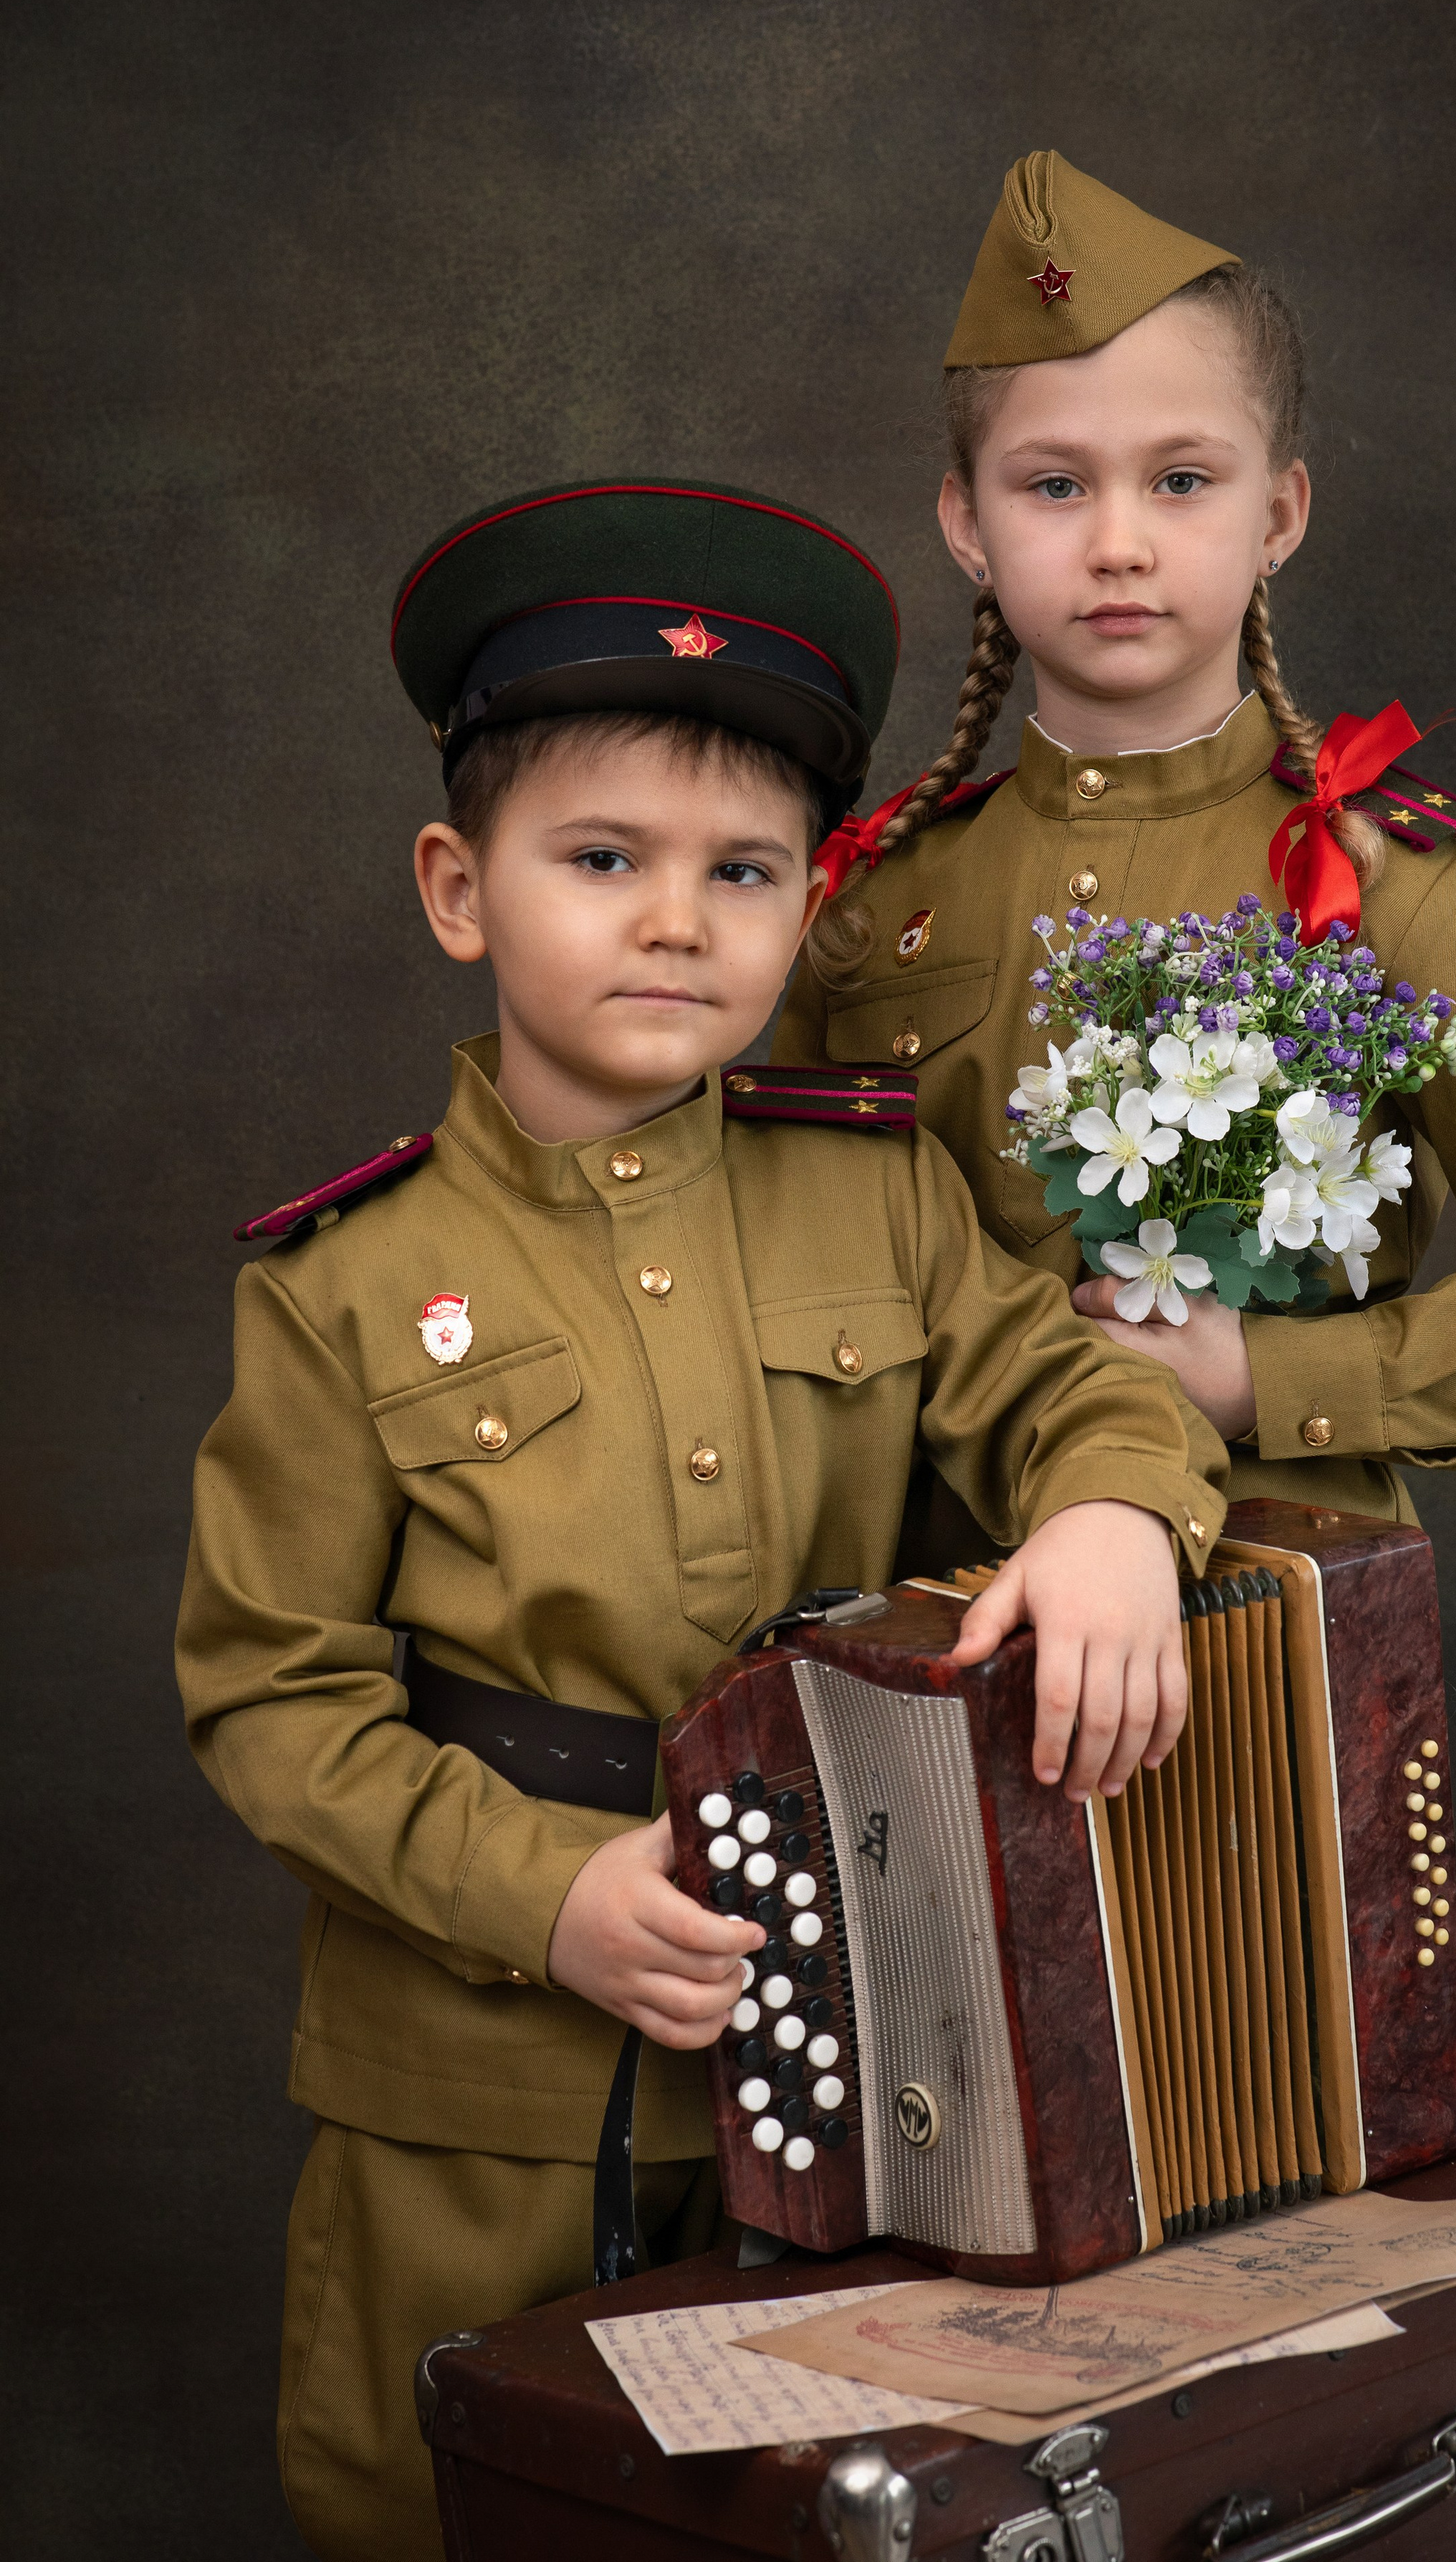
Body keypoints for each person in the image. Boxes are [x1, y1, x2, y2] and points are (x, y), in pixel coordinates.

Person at [173, 476, 1232, 2562]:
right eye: (602, 859)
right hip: (472, 2079)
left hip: (870, 2040)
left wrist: (1119, 1507)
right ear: (458, 890)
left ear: (805, 905)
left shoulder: (881, 1192)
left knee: (825, 2506)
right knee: (448, 2504)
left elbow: (1076, 1388)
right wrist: (541, 1892)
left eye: (741, 870)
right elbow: (270, 1702)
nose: (676, 919)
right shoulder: (344, 1285)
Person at [777, 152, 1456, 1529]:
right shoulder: (874, 904)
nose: (1119, 543)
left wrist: (1278, 1378)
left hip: (1270, 1610)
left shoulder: (1385, 885)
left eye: (1181, 480)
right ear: (967, 524)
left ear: (1279, 513)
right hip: (940, 1604)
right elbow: (780, 1287)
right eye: (1053, 486)